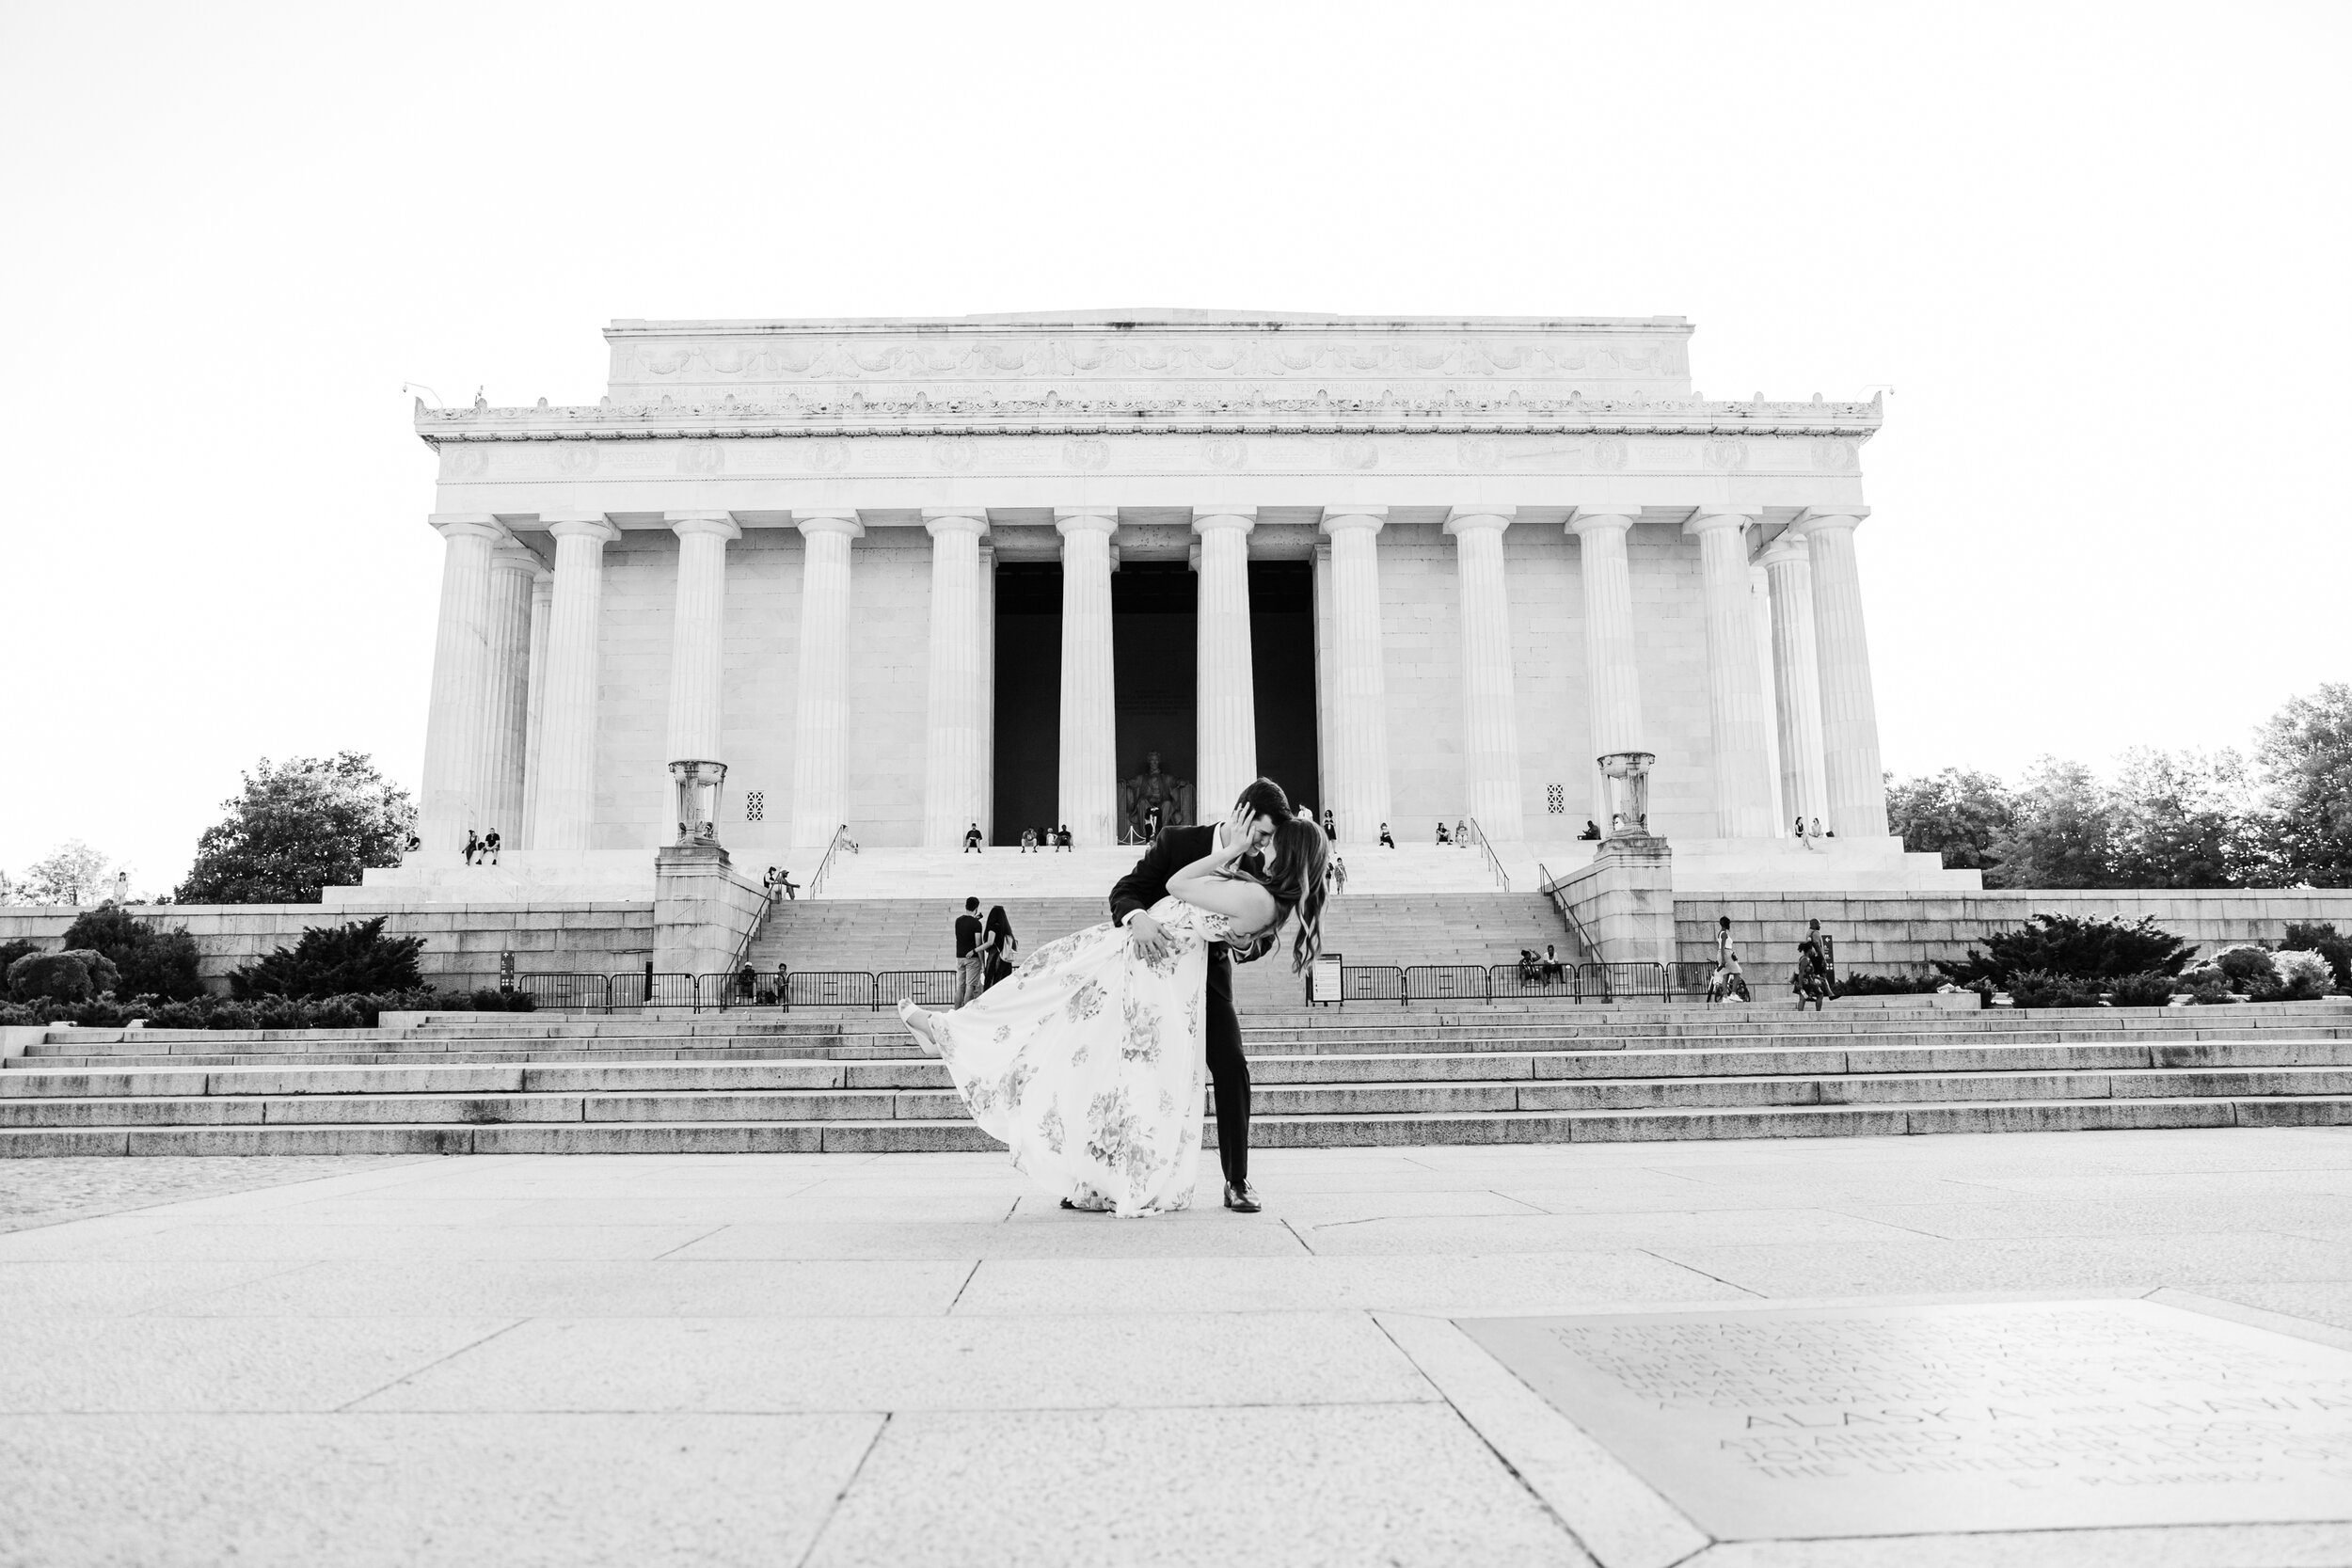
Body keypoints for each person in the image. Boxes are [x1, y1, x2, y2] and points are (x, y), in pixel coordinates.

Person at [898, 779, 1319, 1218]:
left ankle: (1237, 1179)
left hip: (1202, 984)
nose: (1263, 846)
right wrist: (1137, 918)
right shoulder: (1180, 841)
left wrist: (1243, 944)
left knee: (1231, 1064)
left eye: (1269, 840)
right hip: (1139, 974)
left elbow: (1260, 933)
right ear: (1242, 814)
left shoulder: (1259, 868)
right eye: (1262, 835)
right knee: (1083, 1048)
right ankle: (1093, 1178)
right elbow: (1127, 888)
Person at [952, 897, 986, 1006]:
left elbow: (965, 930)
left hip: (960, 957)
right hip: (972, 959)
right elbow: (978, 943)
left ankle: (956, 1012)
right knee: (970, 987)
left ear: (966, 906)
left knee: (960, 987)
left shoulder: (958, 921)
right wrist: (982, 962)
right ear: (976, 908)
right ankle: (966, 1013)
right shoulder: (976, 924)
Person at [982, 904, 1018, 991]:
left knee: (991, 985)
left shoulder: (993, 927)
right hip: (1006, 960)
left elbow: (989, 943)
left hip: (995, 959)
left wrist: (975, 950)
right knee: (1004, 986)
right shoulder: (1006, 929)